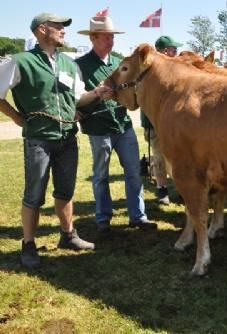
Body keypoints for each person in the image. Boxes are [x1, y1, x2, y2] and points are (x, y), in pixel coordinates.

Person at [0, 12, 110, 268]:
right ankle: (28, 244)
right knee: (34, 194)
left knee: (65, 191)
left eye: (63, 26)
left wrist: (97, 93)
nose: (63, 30)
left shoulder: (70, 65)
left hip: (68, 139)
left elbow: (78, 98)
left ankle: (68, 236)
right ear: (41, 30)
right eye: (58, 26)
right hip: (39, 139)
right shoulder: (20, 61)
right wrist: (17, 117)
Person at [76, 16, 157, 233]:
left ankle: (138, 216)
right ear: (93, 38)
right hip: (98, 128)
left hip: (123, 125)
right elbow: (75, 97)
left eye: (112, 36)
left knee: (133, 172)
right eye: (106, 37)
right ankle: (103, 218)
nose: (111, 41)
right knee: (100, 174)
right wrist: (93, 98)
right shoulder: (80, 65)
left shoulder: (120, 63)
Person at [140, 35, 182, 204]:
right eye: (174, 49)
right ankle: (161, 188)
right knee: (159, 156)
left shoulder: (176, 69)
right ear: (165, 51)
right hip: (155, 121)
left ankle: (181, 187)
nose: (176, 52)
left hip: (174, 122)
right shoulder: (150, 71)